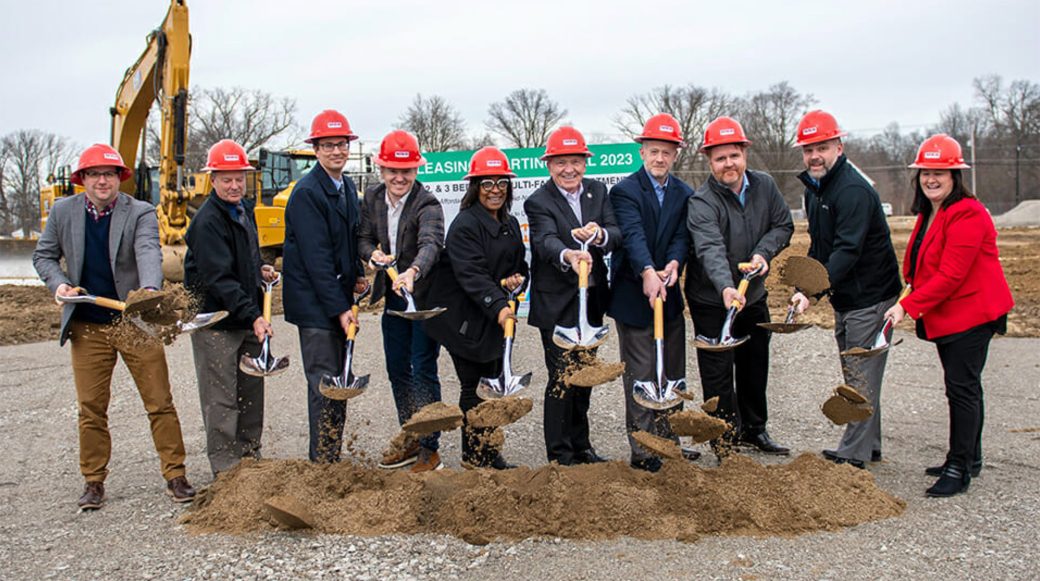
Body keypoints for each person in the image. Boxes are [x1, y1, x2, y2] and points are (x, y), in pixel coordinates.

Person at [32, 143, 196, 510]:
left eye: (109, 174)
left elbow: (147, 250)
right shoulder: (63, 212)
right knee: (91, 407)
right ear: (82, 179)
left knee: (159, 401)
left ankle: (176, 474)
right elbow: (43, 255)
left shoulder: (138, 211)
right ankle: (93, 482)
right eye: (94, 174)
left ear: (119, 178)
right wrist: (58, 284)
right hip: (88, 325)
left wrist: (149, 292)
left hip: (133, 321)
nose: (102, 180)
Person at [883, 134, 1014, 497]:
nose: (931, 179)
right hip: (951, 315)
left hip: (972, 314)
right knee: (963, 386)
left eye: (941, 172)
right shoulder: (932, 211)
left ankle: (960, 468)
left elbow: (951, 275)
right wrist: (908, 290)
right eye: (926, 172)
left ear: (956, 175)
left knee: (962, 389)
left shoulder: (968, 213)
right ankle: (969, 457)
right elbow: (923, 264)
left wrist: (907, 307)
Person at [792, 110, 902, 469]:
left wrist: (813, 292)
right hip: (848, 296)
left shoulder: (852, 190)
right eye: (808, 150)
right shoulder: (817, 189)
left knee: (859, 376)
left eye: (822, 147)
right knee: (859, 373)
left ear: (839, 146)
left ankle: (852, 456)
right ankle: (870, 446)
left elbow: (847, 251)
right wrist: (803, 287)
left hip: (870, 297)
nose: (814, 156)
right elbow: (819, 248)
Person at [685, 116, 794, 457]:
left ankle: (754, 430)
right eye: (720, 158)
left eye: (733, 155)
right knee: (718, 371)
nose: (728, 164)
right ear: (709, 161)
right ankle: (724, 439)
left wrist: (763, 252)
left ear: (744, 153)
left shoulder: (765, 185)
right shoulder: (702, 201)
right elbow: (709, 249)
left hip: (754, 295)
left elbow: (783, 225)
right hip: (713, 300)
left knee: (754, 364)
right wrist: (726, 288)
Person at [424, 147, 529, 470]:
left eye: (501, 183)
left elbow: (519, 265)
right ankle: (475, 456)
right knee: (475, 386)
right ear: (475, 188)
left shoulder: (509, 223)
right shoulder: (465, 226)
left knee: (493, 380)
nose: (495, 190)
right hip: (464, 318)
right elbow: (472, 276)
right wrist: (499, 306)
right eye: (487, 184)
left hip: (493, 315)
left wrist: (517, 280)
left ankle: (488, 450)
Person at [524, 126, 621, 465]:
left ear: (585, 162)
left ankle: (582, 446)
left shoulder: (598, 191)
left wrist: (599, 235)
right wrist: (568, 254)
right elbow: (544, 240)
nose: (569, 169)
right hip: (557, 305)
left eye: (576, 161)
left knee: (586, 377)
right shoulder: (538, 201)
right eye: (561, 162)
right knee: (563, 377)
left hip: (591, 301)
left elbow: (616, 232)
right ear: (549, 165)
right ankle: (560, 453)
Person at [184, 139, 278, 476]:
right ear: (213, 180)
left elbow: (242, 260)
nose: (235, 184)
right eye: (226, 179)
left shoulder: (243, 209)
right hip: (218, 322)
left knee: (251, 391)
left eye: (239, 177)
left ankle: (250, 457)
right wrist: (254, 315)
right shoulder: (207, 222)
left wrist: (258, 272)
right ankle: (226, 469)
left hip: (244, 315)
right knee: (221, 397)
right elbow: (219, 280)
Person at [608, 113, 695, 472]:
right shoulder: (625, 191)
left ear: (676, 155)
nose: (660, 158)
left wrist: (673, 264)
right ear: (642, 151)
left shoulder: (684, 193)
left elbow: (681, 236)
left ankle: (669, 440)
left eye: (667, 152)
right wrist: (646, 270)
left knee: (672, 371)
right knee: (643, 373)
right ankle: (644, 448)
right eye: (653, 151)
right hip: (634, 295)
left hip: (669, 295)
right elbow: (631, 235)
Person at [283, 110, 369, 463]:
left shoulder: (346, 186)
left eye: (341, 144)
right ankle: (322, 464)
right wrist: (340, 310)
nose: (336, 151)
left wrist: (359, 272)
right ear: (315, 150)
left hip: (337, 299)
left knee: (340, 380)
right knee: (324, 384)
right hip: (316, 306)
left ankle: (332, 457)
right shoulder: (307, 193)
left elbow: (348, 241)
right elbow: (317, 260)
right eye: (328, 145)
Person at [359, 130, 446, 473]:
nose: (399, 177)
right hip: (394, 300)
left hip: (422, 297)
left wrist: (413, 271)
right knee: (397, 368)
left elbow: (431, 243)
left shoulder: (428, 203)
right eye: (392, 170)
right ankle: (411, 436)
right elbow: (363, 238)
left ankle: (430, 448)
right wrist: (373, 255)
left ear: (416, 170)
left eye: (406, 170)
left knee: (422, 368)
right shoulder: (372, 198)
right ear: (381, 169)